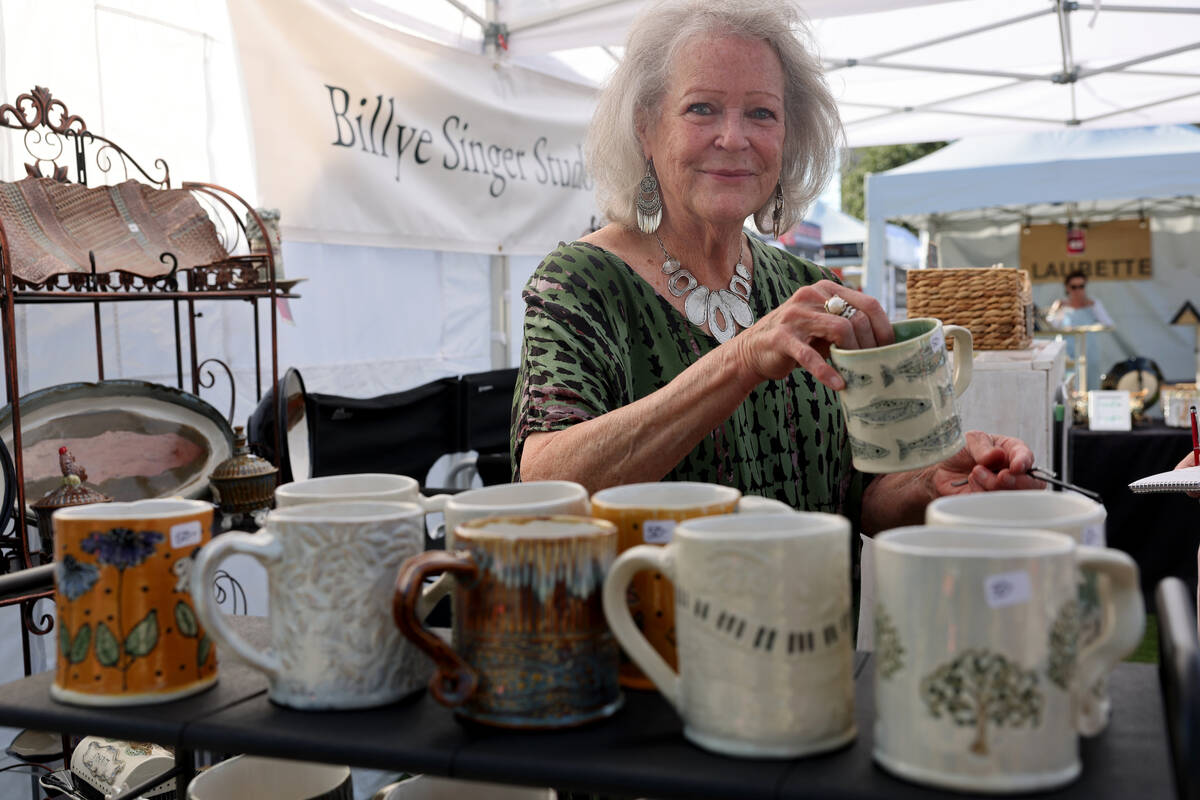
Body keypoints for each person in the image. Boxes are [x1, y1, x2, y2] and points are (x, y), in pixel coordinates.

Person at [510, 0, 1042, 534]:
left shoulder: (815, 289)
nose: (734, 137)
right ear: (645, 129)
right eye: (702, 108)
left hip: (815, 614)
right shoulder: (579, 282)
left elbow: (863, 501)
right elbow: (543, 490)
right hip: (646, 616)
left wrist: (938, 484)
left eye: (762, 113)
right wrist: (741, 358)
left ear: (788, 138)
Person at [1046, 270, 1114, 329]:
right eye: (1074, 287)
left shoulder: (1093, 304)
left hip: (1087, 343)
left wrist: (1094, 307)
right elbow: (1049, 327)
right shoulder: (1061, 304)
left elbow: (1108, 324)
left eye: (1081, 286)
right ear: (1067, 287)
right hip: (1066, 343)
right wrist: (1056, 310)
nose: (1078, 290)